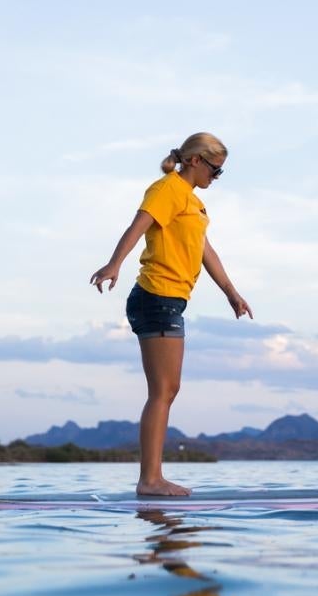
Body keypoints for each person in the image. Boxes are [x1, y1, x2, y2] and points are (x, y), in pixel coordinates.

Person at [90, 132, 252, 496]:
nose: (216, 177)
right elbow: (139, 225)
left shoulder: (192, 203)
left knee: (168, 389)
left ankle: (152, 477)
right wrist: (114, 263)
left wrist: (232, 293)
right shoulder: (167, 189)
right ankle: (150, 480)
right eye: (215, 169)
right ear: (195, 160)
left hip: (171, 300)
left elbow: (205, 250)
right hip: (156, 296)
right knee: (162, 390)